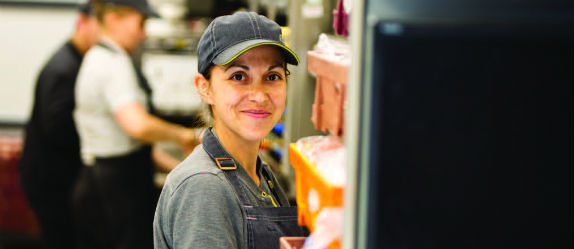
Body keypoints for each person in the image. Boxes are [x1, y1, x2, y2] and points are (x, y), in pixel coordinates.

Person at [153, 11, 306, 249]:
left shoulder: (259, 173)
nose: (259, 95)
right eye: (238, 76)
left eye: (272, 76)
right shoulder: (204, 187)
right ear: (205, 88)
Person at [73, 0, 199, 248]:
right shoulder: (111, 64)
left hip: (110, 177)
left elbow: (132, 141)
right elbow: (138, 126)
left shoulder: (105, 58)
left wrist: (179, 169)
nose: (144, 33)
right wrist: (185, 135)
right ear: (113, 20)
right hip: (113, 187)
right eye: (140, 23)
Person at [18, 3, 99, 249]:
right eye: (100, 26)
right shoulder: (64, 68)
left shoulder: (74, 60)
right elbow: (57, 128)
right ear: (82, 22)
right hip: (50, 181)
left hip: (54, 177)